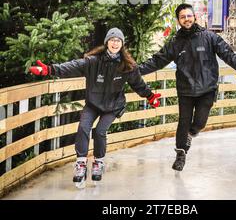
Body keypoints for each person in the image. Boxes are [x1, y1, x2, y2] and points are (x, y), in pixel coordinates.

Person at [29, 27, 161, 188]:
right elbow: (72, 66)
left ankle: (98, 162)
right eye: (112, 40)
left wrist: (150, 96)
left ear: (122, 44)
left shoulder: (127, 66)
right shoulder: (93, 62)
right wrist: (49, 69)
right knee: (83, 128)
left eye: (118, 40)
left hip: (113, 106)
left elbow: (138, 84)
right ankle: (81, 164)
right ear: (107, 43)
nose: (115, 43)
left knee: (99, 131)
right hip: (93, 104)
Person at [139, 3, 236, 172]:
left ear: (194, 17)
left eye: (189, 16)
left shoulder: (210, 37)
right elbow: (156, 61)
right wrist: (134, 72)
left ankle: (192, 133)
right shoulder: (175, 42)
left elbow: (229, 55)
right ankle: (181, 154)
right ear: (178, 20)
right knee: (183, 122)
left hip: (207, 88)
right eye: (182, 17)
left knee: (200, 122)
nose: (186, 19)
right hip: (185, 90)